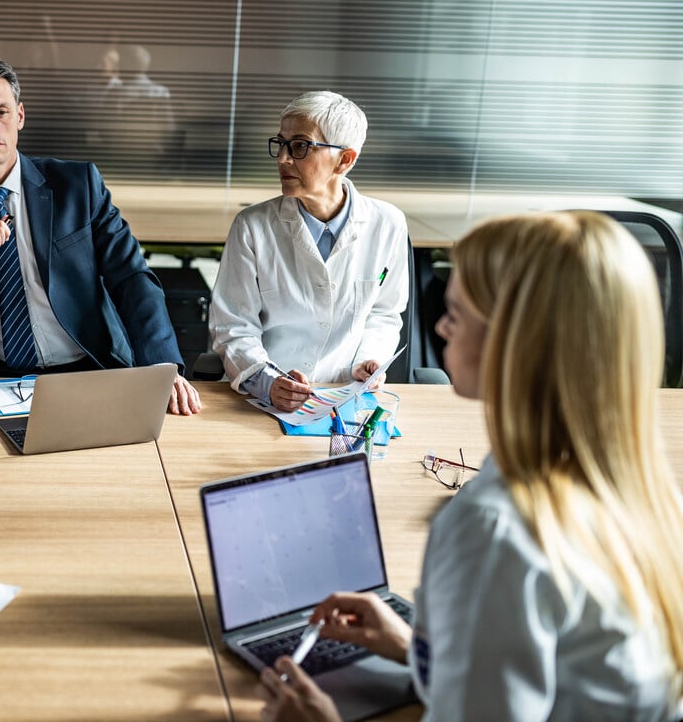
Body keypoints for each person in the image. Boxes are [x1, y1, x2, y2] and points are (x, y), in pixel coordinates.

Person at [259, 211, 683, 721]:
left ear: (516, 346)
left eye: (456, 314)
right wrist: (421, 651)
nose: (438, 326)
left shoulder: (494, 530)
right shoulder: (643, 493)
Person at [0, 55, 201, 415]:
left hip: (86, 369)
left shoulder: (78, 186)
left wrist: (160, 368)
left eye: (1, 112)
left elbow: (131, 278)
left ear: (20, 116)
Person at [208, 90, 408, 412]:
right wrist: (267, 381)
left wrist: (369, 360)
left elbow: (384, 312)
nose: (283, 159)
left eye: (300, 146)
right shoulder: (252, 226)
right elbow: (233, 325)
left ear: (345, 160)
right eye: (281, 144)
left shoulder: (388, 224)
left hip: (348, 397)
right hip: (263, 400)